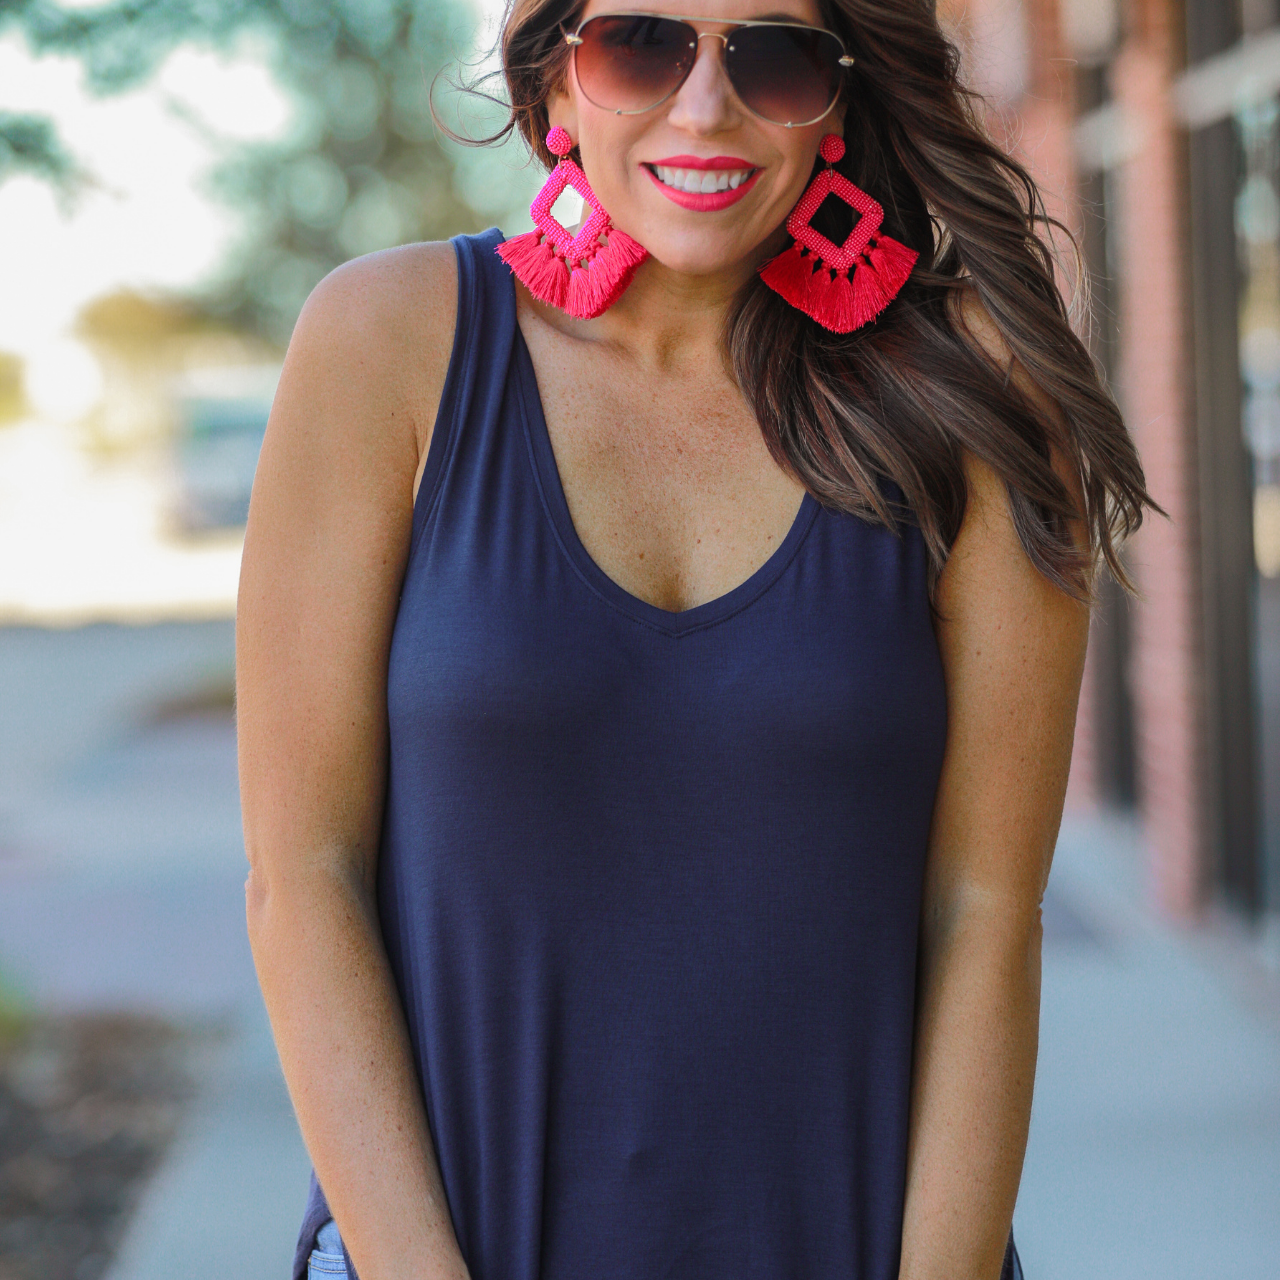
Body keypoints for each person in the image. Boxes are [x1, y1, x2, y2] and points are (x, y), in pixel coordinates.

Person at [236, 2, 1154, 1278]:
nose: (705, 105)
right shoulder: (386, 345)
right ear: (554, 82)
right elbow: (303, 879)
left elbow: (985, 915)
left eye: (771, 54)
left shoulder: (969, 397)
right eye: (641, 44)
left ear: (834, 102)